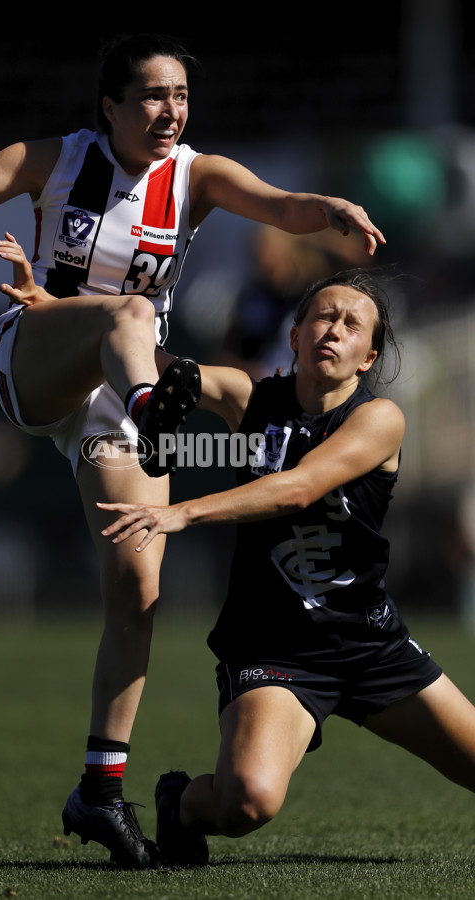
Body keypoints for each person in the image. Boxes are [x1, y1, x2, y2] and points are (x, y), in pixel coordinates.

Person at [0, 33, 386, 868]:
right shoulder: (51, 159)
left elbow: (279, 205)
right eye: (155, 97)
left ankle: (99, 789)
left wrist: (333, 212)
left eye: (182, 98)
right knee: (132, 319)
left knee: (139, 582)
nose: (172, 112)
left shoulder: (195, 175)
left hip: (123, 393)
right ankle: (151, 406)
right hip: (40, 354)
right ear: (111, 107)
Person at [99, 268, 475, 866]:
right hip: (274, 650)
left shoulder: (380, 420)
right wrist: (70, 316)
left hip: (369, 642)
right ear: (295, 334)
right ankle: (180, 806)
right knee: (246, 803)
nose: (335, 330)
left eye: (353, 325)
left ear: (367, 357)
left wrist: (185, 512)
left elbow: (299, 488)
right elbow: (146, 357)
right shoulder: (250, 398)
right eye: (323, 316)